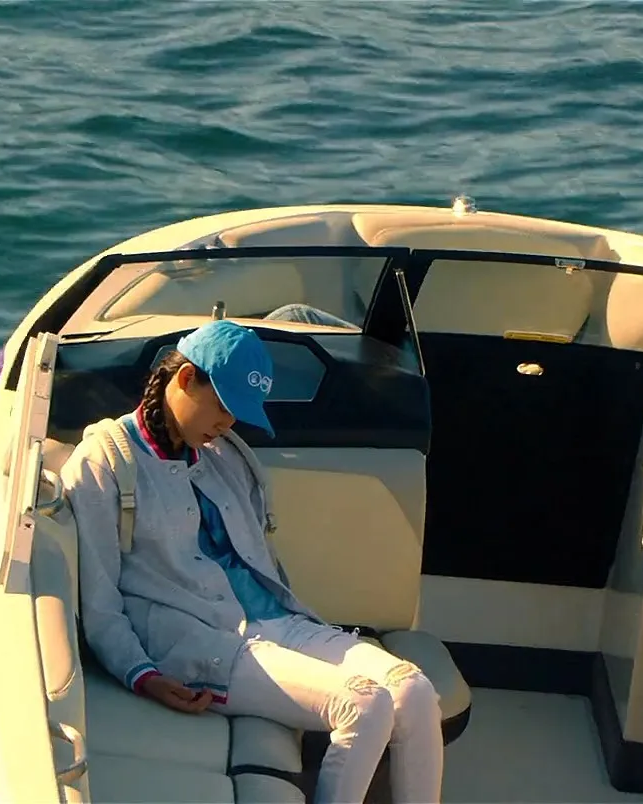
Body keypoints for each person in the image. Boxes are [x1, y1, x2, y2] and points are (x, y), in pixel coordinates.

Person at [60, 320, 442, 804]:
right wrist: (142, 673)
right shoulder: (106, 459)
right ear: (184, 379)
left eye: (237, 414)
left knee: (414, 691)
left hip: (277, 620)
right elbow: (99, 601)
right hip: (200, 639)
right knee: (363, 706)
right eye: (223, 406)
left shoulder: (222, 455)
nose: (228, 424)